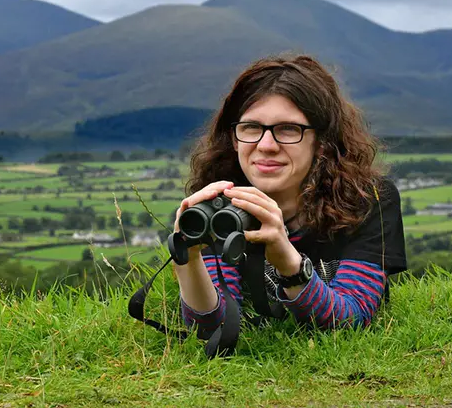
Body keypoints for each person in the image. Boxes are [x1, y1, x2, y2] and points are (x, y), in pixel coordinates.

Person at [172, 54, 407, 338]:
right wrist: (187, 259)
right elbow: (214, 328)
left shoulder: (367, 199)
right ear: (233, 139)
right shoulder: (220, 205)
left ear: (321, 142)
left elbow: (351, 318)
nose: (266, 145)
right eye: (251, 128)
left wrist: (285, 258)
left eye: (288, 129)